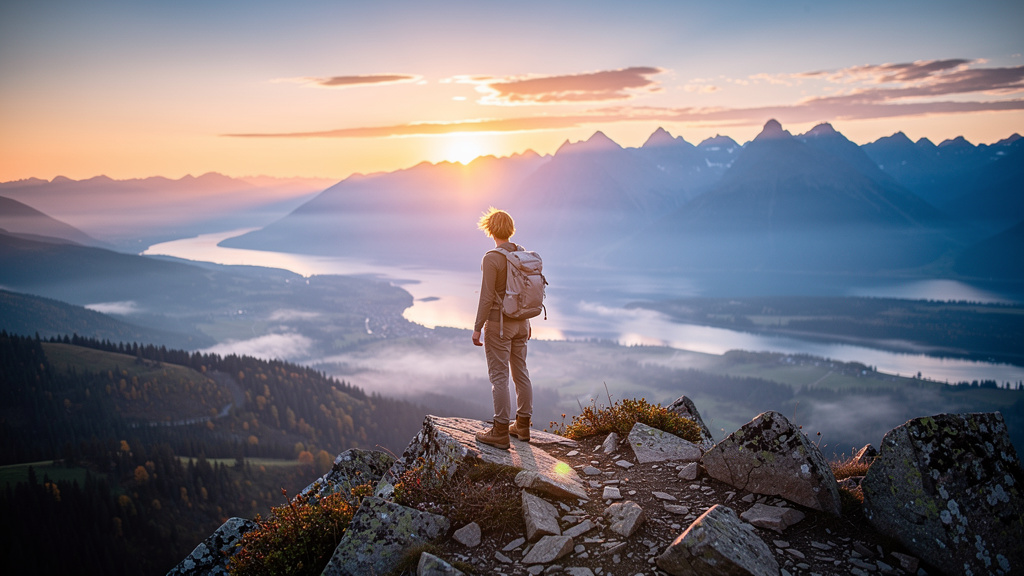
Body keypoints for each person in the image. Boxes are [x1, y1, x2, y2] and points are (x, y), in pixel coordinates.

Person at [472, 207, 533, 450]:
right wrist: (527, 323)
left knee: (499, 377)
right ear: (510, 229)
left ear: (490, 230)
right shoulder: (522, 254)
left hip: (499, 325)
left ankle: (499, 431)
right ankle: (523, 425)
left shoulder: (492, 258)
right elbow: (526, 293)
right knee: (521, 373)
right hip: (521, 323)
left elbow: (487, 297)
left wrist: (478, 327)